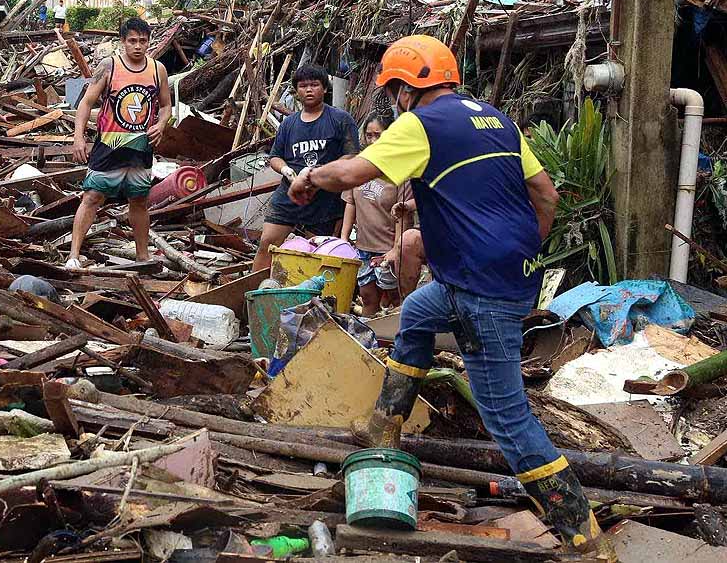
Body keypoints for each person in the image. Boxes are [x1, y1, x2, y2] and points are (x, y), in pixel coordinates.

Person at [287, 35, 615, 560]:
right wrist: (520, 255)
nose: (393, 98)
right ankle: (384, 424)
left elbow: (350, 172)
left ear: (402, 88)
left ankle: (584, 537)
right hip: (501, 276)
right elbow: (546, 196)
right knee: (417, 311)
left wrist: (307, 177)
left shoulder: (421, 125)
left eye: (392, 89)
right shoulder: (497, 120)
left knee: (508, 419)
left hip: (480, 289)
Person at [68, 17, 171, 269]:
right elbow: (86, 102)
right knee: (92, 196)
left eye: (143, 41)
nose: (138, 46)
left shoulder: (158, 70)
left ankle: (142, 255)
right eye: (132, 41)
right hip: (109, 145)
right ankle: (73, 255)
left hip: (141, 146)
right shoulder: (109, 66)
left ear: (149, 42)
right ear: (122, 42)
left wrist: (161, 124)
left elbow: (167, 105)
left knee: (139, 200)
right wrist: (78, 137)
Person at [252, 65, 359, 272]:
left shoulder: (340, 120)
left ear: (325, 89)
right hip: (289, 193)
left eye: (314, 85)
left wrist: (321, 174)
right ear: (296, 91)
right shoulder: (289, 124)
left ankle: (313, 297)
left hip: (324, 199)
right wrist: (287, 171)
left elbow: (352, 155)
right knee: (267, 243)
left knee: (319, 253)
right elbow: (275, 156)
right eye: (303, 86)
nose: (308, 90)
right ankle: (254, 291)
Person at [340, 116, 420, 315]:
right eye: (369, 135)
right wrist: (344, 238)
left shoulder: (401, 170)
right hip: (363, 247)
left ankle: (395, 339)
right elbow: (351, 203)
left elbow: (403, 213)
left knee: (395, 299)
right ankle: (369, 341)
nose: (373, 141)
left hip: (388, 249)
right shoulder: (359, 166)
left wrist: (395, 249)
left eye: (379, 135)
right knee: (367, 297)